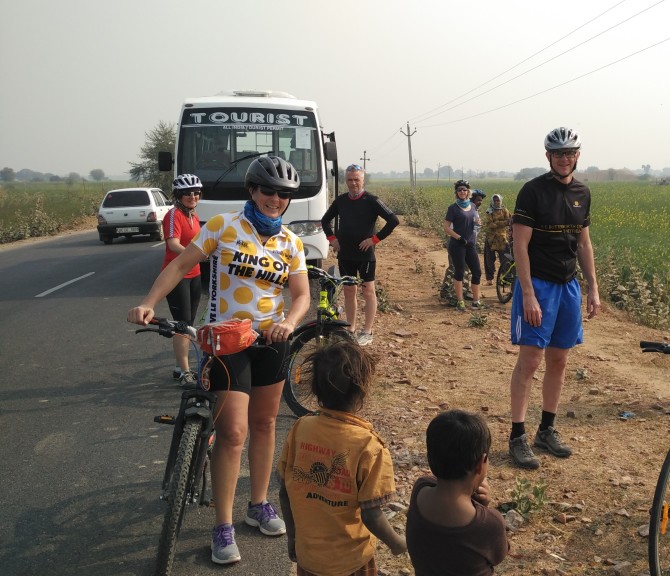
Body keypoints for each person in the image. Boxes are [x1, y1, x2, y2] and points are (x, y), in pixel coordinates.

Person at [128, 156, 311, 565]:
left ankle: (258, 504)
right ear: (252, 191)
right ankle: (223, 525)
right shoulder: (223, 227)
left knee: (265, 425)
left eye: (284, 194)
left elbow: (301, 296)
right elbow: (179, 265)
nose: (276, 200)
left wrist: (290, 322)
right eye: (268, 191)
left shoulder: (290, 243)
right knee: (232, 433)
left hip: (271, 340)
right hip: (227, 341)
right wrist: (148, 302)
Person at [507, 127, 600, 470]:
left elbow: (584, 244)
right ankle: (517, 435)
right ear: (548, 156)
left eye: (570, 152)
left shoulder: (582, 192)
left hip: (568, 285)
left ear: (578, 155)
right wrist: (528, 294)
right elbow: (520, 245)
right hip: (539, 286)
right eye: (558, 153)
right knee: (531, 361)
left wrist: (593, 286)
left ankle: (546, 429)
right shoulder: (533, 192)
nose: (564, 158)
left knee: (559, 360)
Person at [278, 339, 406, 576]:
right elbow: (372, 514)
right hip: (352, 561)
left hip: (308, 559)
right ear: (361, 391)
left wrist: (292, 537)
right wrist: (399, 544)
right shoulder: (368, 446)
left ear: (315, 389)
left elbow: (284, 491)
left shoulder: (301, 428)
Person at [406, 410, 509, 575]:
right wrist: (483, 508)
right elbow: (499, 555)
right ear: (480, 464)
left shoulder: (420, 488)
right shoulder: (490, 523)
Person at [320, 164, 400, 346]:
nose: (353, 183)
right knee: (349, 291)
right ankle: (351, 328)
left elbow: (393, 220)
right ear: (345, 181)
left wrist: (374, 239)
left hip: (365, 255)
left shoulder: (372, 200)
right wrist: (332, 239)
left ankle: (367, 330)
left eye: (357, 179)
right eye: (350, 180)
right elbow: (325, 221)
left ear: (363, 180)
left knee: (368, 291)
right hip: (345, 255)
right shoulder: (340, 201)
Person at [163, 173, 204, 387]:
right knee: (182, 325)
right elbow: (173, 244)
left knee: (188, 325)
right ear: (178, 195)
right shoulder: (174, 215)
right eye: (187, 193)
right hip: (177, 276)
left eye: (196, 192)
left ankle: (180, 365)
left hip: (195, 274)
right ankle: (185, 372)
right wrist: (197, 254)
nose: (193, 196)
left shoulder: (193, 216)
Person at [444, 180, 483, 312]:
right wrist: (458, 237)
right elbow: (446, 227)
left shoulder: (472, 206)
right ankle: (460, 302)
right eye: (460, 190)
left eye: (464, 190)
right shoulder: (453, 208)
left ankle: (476, 302)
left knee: (477, 271)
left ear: (468, 192)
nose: (462, 192)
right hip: (457, 244)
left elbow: (476, 221)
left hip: (470, 244)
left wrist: (478, 223)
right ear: (456, 192)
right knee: (459, 272)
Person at [482, 193, 512, 287]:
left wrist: (497, 222)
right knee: (489, 260)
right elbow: (490, 224)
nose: (496, 202)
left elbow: (509, 221)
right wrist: (502, 223)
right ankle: (489, 279)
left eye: (498, 200)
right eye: (495, 200)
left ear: (500, 201)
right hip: (491, 239)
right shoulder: (489, 211)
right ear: (492, 201)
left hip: (502, 239)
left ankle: (506, 279)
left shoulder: (505, 210)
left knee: (505, 259)